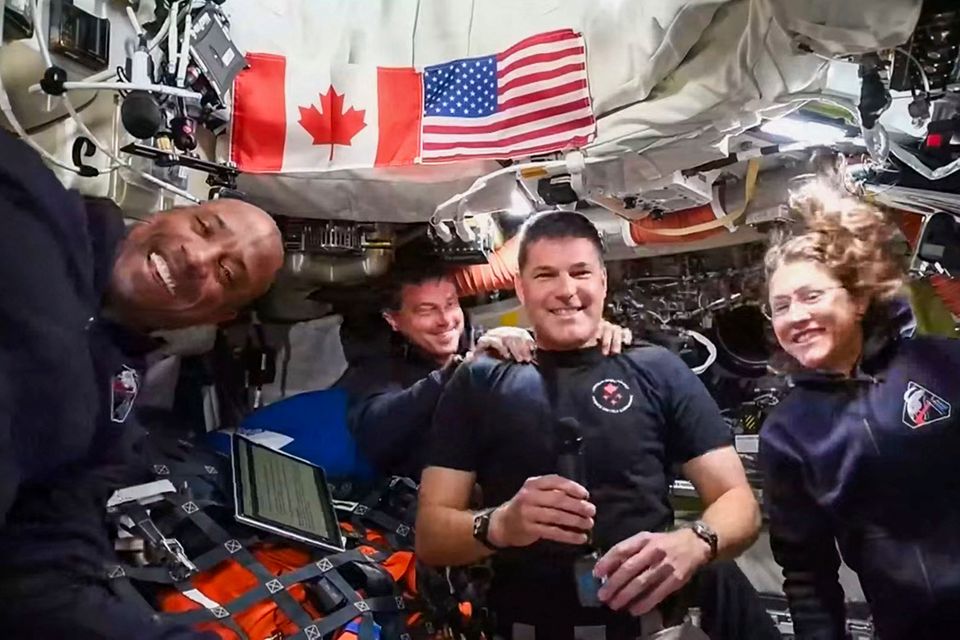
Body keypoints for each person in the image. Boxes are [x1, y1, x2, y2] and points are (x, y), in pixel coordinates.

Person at [416, 211, 765, 640]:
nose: (566, 290)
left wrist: (696, 541)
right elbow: (431, 535)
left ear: (602, 281)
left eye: (580, 272)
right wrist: (501, 524)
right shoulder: (481, 379)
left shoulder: (658, 370)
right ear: (521, 288)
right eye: (545, 275)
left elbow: (738, 501)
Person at [0, 128, 284, 639]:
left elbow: (45, 568)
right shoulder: (31, 204)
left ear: (219, 316)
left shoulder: (112, 424)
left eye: (227, 273)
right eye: (203, 227)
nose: (196, 257)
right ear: (162, 215)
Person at [759, 184, 960, 640]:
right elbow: (807, 574)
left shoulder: (943, 365)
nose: (796, 316)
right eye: (781, 306)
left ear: (858, 298)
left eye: (811, 296)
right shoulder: (788, 433)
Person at [338, 267, 632, 479]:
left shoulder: (489, 343)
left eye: (450, 304)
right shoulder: (377, 368)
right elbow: (377, 431)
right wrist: (459, 370)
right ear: (393, 320)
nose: (445, 320)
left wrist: (592, 340)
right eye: (426, 310)